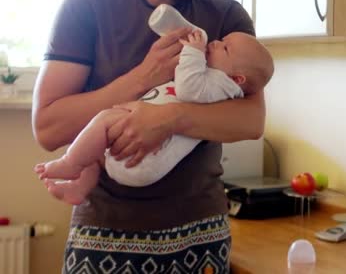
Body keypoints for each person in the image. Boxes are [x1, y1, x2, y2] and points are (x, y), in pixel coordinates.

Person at [31, 0, 265, 272]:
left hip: (201, 237)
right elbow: (48, 128)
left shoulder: (228, 19)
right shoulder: (88, 6)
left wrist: (168, 119)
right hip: (104, 236)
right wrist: (142, 78)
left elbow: (251, 122)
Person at [34, 28, 273, 205]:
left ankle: (71, 162)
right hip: (139, 165)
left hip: (146, 161)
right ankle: (81, 186)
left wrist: (193, 52)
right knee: (98, 152)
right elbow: (46, 129)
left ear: (238, 79)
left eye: (225, 47)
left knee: (105, 119)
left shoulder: (221, 85)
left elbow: (188, 87)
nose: (216, 42)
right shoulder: (221, 83)